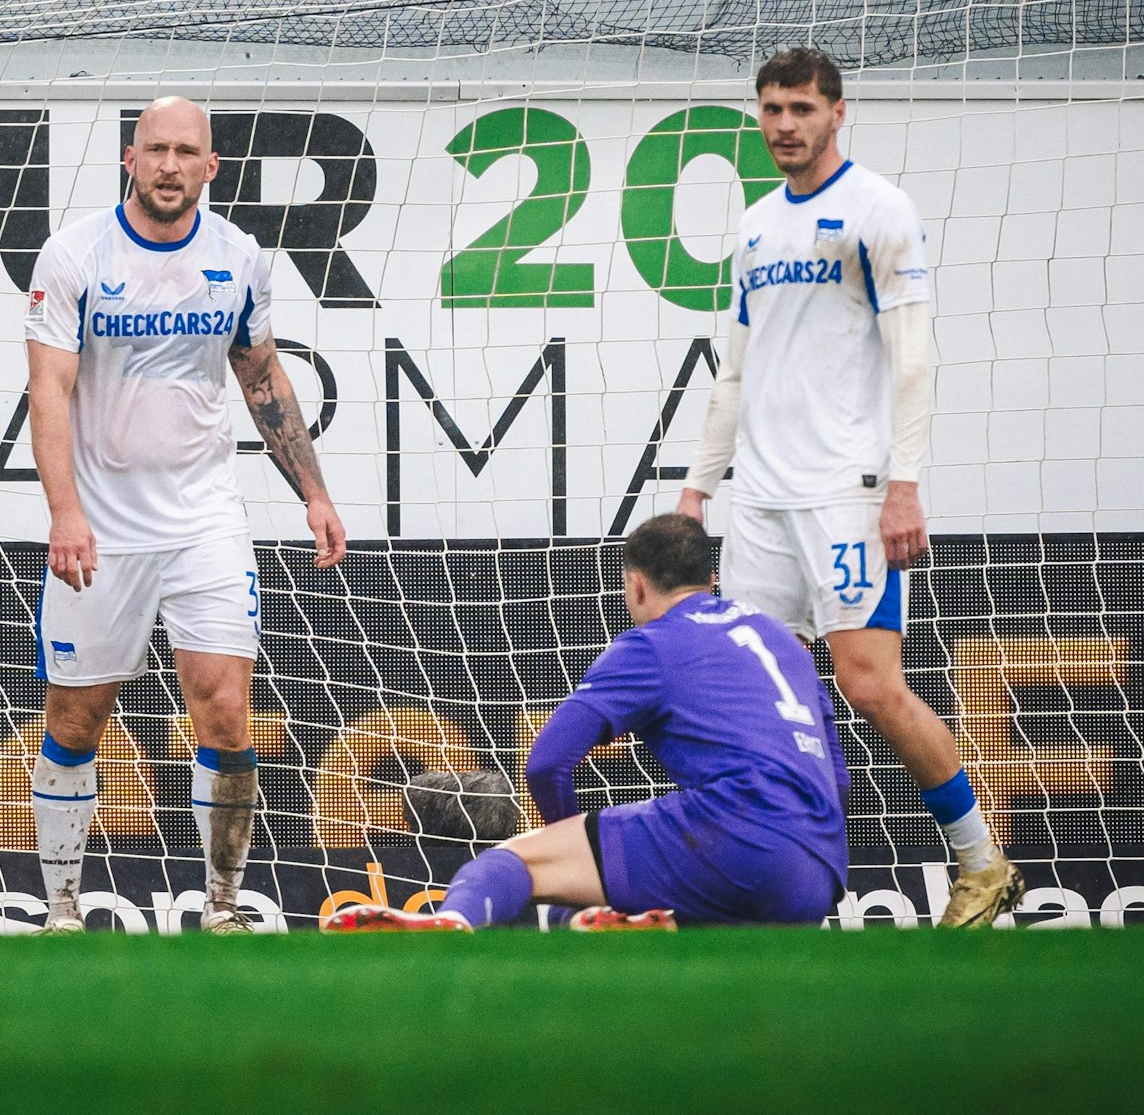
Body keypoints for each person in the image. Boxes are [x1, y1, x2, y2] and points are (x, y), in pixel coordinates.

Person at [675, 47, 1022, 927]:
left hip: (847, 492)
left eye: (801, 108)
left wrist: (903, 486)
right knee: (764, 696)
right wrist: (696, 491)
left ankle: (981, 861)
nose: (784, 125)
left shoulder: (878, 210)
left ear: (837, 113)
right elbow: (734, 372)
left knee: (869, 686)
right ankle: (784, 881)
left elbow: (913, 361)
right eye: (771, 109)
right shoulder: (758, 225)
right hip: (759, 499)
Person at [24, 95, 347, 933]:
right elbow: (48, 389)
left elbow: (261, 376)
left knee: (228, 714)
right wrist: (65, 512)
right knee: (76, 720)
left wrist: (314, 493)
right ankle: (61, 908)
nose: (170, 166)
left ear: (211, 166)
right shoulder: (74, 255)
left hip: (205, 522)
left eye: (186, 152)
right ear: (130, 160)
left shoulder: (238, 256)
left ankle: (223, 907)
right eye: (155, 149)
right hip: (101, 528)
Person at [324, 513, 848, 932]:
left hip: (734, 837)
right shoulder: (781, 638)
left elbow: (548, 761)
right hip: (818, 871)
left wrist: (567, 844)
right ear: (712, 581)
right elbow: (840, 777)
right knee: (665, 926)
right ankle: (643, 924)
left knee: (511, 863)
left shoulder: (652, 644)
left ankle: (453, 923)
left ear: (636, 586)